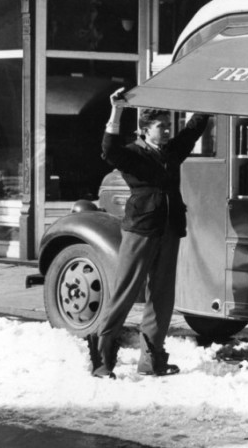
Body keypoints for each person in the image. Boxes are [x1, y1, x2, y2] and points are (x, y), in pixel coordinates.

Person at [87, 88, 210, 379]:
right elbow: (109, 150)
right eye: (160, 126)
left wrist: (205, 98)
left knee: (162, 298)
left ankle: (151, 360)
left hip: (170, 229)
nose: (167, 130)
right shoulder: (132, 154)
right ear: (144, 130)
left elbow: (193, 130)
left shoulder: (171, 152)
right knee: (125, 293)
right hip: (140, 230)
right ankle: (101, 360)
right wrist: (117, 110)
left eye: (168, 125)